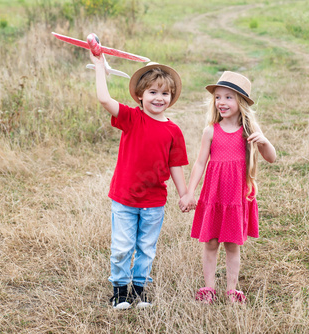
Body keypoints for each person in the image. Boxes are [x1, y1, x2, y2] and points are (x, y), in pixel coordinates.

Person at [89, 53, 189, 310]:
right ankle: (120, 291)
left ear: (171, 98)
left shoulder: (173, 131)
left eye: (165, 94)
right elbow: (103, 98)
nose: (159, 98)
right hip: (125, 197)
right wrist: (100, 66)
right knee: (122, 246)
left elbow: (175, 165)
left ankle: (139, 290)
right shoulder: (132, 118)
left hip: (154, 201)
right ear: (140, 95)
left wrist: (184, 194)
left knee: (146, 247)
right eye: (153, 92)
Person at [179, 71, 276, 304]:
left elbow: (271, 158)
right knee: (211, 243)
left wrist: (264, 140)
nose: (221, 102)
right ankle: (208, 289)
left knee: (232, 245)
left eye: (228, 97)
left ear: (240, 102)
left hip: (236, 196)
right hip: (214, 195)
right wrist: (190, 192)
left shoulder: (248, 131)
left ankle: (232, 290)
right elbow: (200, 163)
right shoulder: (211, 130)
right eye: (218, 97)